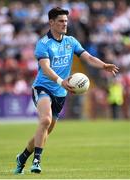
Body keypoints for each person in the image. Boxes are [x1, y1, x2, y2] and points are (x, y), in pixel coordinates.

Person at [14, 7, 119, 174]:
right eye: (61, 21)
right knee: (45, 120)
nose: (65, 24)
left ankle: (23, 157)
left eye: (66, 21)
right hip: (43, 87)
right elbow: (46, 69)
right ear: (51, 23)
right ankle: (37, 161)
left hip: (61, 92)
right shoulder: (43, 44)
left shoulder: (71, 41)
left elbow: (88, 58)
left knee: (46, 129)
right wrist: (60, 81)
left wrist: (104, 65)